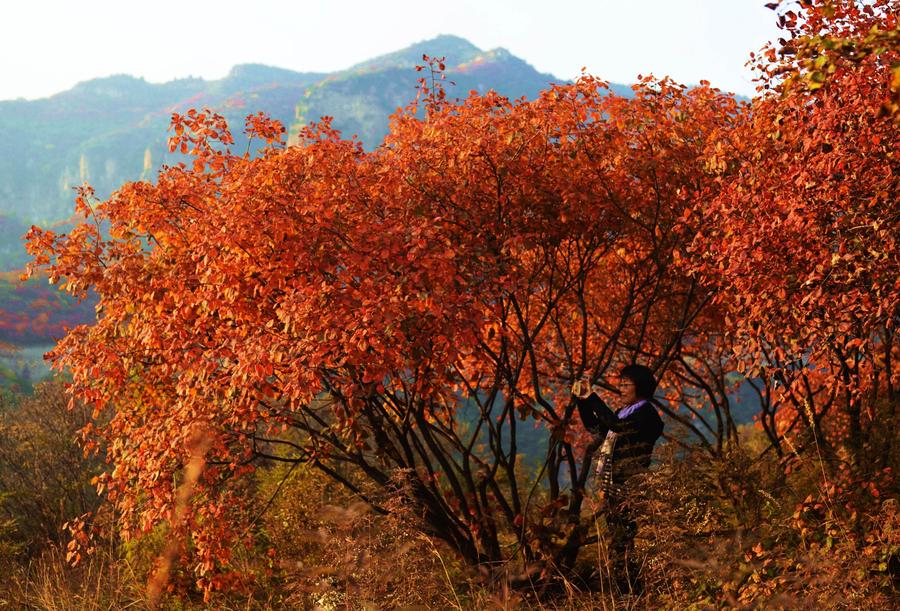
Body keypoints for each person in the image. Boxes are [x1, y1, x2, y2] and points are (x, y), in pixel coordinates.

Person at [571, 364, 664, 593]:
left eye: (625, 385)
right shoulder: (624, 412)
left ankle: (631, 590)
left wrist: (593, 398)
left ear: (640, 387)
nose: (620, 389)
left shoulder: (646, 414)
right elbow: (597, 428)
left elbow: (618, 428)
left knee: (624, 538)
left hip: (629, 484)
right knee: (616, 537)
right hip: (612, 483)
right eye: (620, 384)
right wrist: (582, 400)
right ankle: (624, 589)